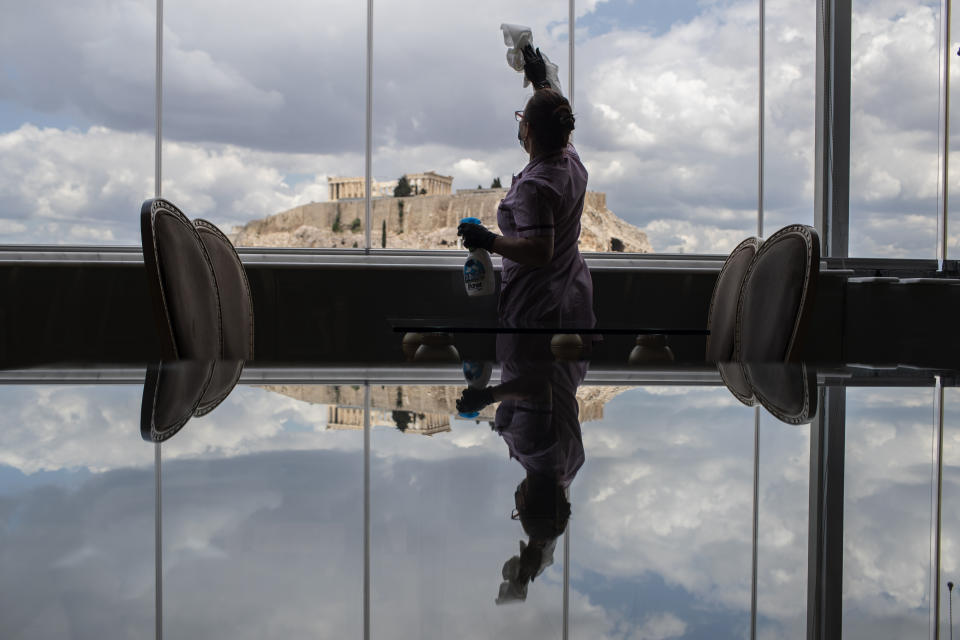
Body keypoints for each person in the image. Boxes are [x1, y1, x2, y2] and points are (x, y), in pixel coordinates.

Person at [458, 46, 596, 333]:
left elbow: (538, 252)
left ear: (528, 129)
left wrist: (487, 239)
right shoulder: (571, 162)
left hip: (538, 303)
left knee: (532, 375)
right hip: (572, 293)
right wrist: (541, 82)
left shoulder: (535, 186)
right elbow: (554, 119)